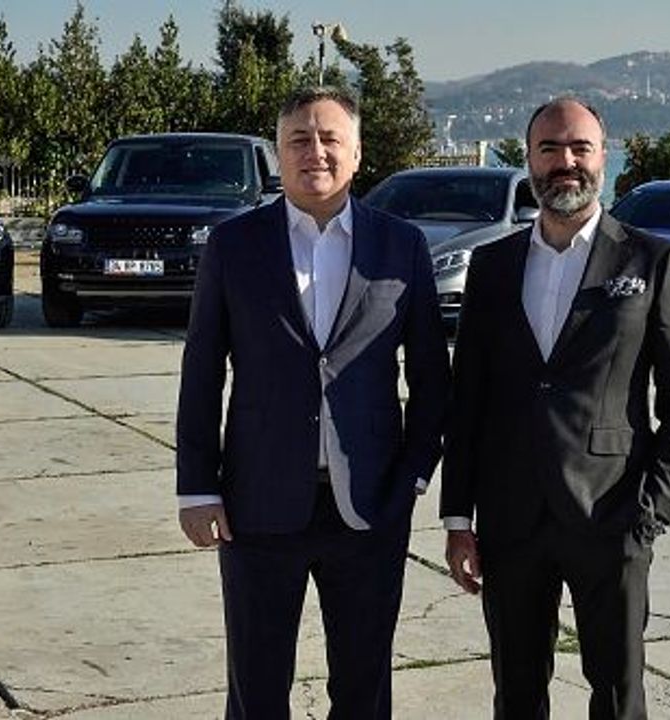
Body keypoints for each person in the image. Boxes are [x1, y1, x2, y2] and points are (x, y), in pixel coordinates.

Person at [175, 86, 450, 719]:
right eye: (299, 139)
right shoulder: (233, 245)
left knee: (363, 689)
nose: (315, 152)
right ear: (278, 153)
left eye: (330, 139)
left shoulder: (401, 245)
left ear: (357, 153)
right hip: (256, 506)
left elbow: (432, 380)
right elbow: (202, 370)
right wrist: (197, 486)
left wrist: (412, 479)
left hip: (370, 508)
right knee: (257, 689)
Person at [440, 96, 670, 720]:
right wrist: (458, 517)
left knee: (617, 695)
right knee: (516, 694)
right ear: (529, 159)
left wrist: (650, 514)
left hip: (611, 518)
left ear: (603, 158)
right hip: (510, 522)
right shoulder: (493, 265)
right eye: (550, 149)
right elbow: (468, 397)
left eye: (580, 148)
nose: (566, 162)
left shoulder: (651, 261)